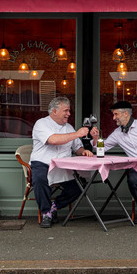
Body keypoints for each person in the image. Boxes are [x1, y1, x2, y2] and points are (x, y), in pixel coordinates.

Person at [31, 96, 95, 228]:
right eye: (66, 111)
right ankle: (45, 213)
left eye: (69, 111)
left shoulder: (69, 127)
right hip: (43, 162)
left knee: (79, 187)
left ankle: (54, 207)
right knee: (40, 179)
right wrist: (77, 134)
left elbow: (77, 148)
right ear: (54, 111)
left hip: (63, 165)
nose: (69, 114)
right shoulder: (41, 123)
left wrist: (83, 151)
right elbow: (53, 140)